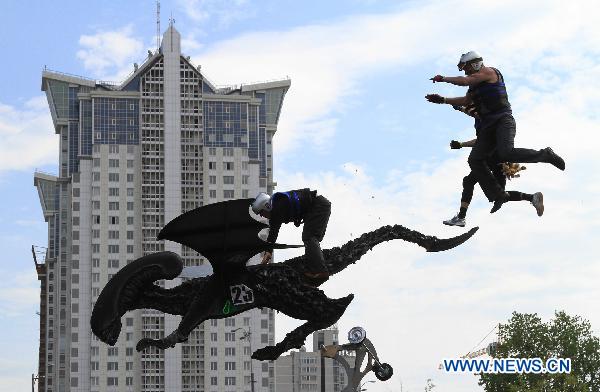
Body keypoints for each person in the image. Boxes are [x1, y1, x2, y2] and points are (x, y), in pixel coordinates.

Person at [425, 50, 565, 212]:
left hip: (503, 121)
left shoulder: (488, 72)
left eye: (466, 68)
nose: (465, 71)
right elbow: (465, 101)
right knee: (475, 160)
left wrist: (443, 78)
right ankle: (499, 195)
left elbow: (465, 81)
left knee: (506, 152)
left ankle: (545, 155)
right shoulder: (474, 85)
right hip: (488, 127)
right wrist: (443, 100)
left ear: (475, 63)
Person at [443, 137, 544, 227]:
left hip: (491, 160)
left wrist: (461, 144)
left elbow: (480, 141)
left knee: (469, 181)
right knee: (500, 195)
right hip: (500, 161)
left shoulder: (489, 121)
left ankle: (461, 217)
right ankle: (532, 197)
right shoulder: (495, 124)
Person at [251, 189, 331, 281]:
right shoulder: (277, 207)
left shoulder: (278, 205)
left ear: (266, 206)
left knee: (309, 237)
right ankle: (316, 267)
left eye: (261, 213)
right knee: (311, 239)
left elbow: (273, 232)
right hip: (320, 206)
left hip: (319, 206)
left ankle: (320, 271)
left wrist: (268, 252)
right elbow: (272, 233)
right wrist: (268, 252)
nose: (262, 216)